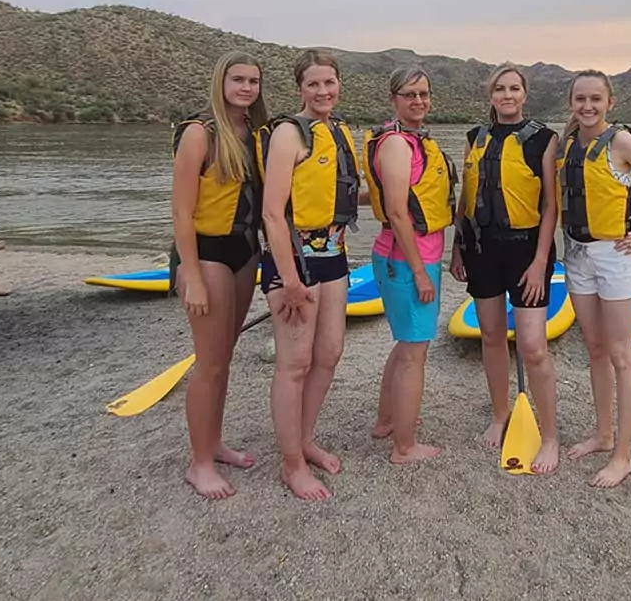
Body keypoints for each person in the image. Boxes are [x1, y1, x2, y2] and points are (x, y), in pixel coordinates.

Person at [556, 70, 631, 488]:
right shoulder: (569, 144)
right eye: (580, 99)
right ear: (571, 102)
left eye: (595, 99)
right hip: (577, 254)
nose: (587, 106)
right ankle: (602, 433)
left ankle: (623, 455)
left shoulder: (622, 143)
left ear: (611, 102)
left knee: (620, 353)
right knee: (593, 348)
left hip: (615, 256)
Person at [257, 49, 361, 501]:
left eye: (329, 83)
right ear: (300, 87)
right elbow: (271, 213)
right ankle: (291, 464)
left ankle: (304, 438)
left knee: (331, 352)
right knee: (294, 363)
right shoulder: (288, 133)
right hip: (294, 260)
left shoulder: (337, 131)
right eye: (313, 84)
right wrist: (289, 279)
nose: (322, 91)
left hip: (334, 252)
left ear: (339, 85)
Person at [450, 62, 562, 474]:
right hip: (482, 249)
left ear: (525, 95)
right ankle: (500, 415)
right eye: (500, 89)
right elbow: (465, 197)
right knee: (492, 337)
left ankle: (550, 436)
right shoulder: (474, 138)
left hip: (526, 251)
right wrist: (457, 248)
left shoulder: (545, 140)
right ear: (491, 95)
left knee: (533, 347)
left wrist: (538, 264)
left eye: (515, 88)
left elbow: (551, 206)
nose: (508, 95)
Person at [169, 51, 268, 500]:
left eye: (253, 81)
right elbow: (182, 210)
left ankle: (214, 443)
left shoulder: (256, 133)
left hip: (244, 251)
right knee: (209, 362)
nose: (247, 88)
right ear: (221, 82)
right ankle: (199, 463)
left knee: (224, 355)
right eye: (238, 80)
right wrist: (189, 274)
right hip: (206, 254)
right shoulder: (198, 133)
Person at [362, 67, 455, 464]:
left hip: (404, 256)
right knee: (416, 352)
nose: (418, 101)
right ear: (393, 99)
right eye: (409, 94)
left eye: (424, 94)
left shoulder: (411, 141)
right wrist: (419, 271)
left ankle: (387, 421)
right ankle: (404, 446)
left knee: (405, 347)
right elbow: (398, 212)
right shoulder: (399, 144)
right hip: (407, 259)